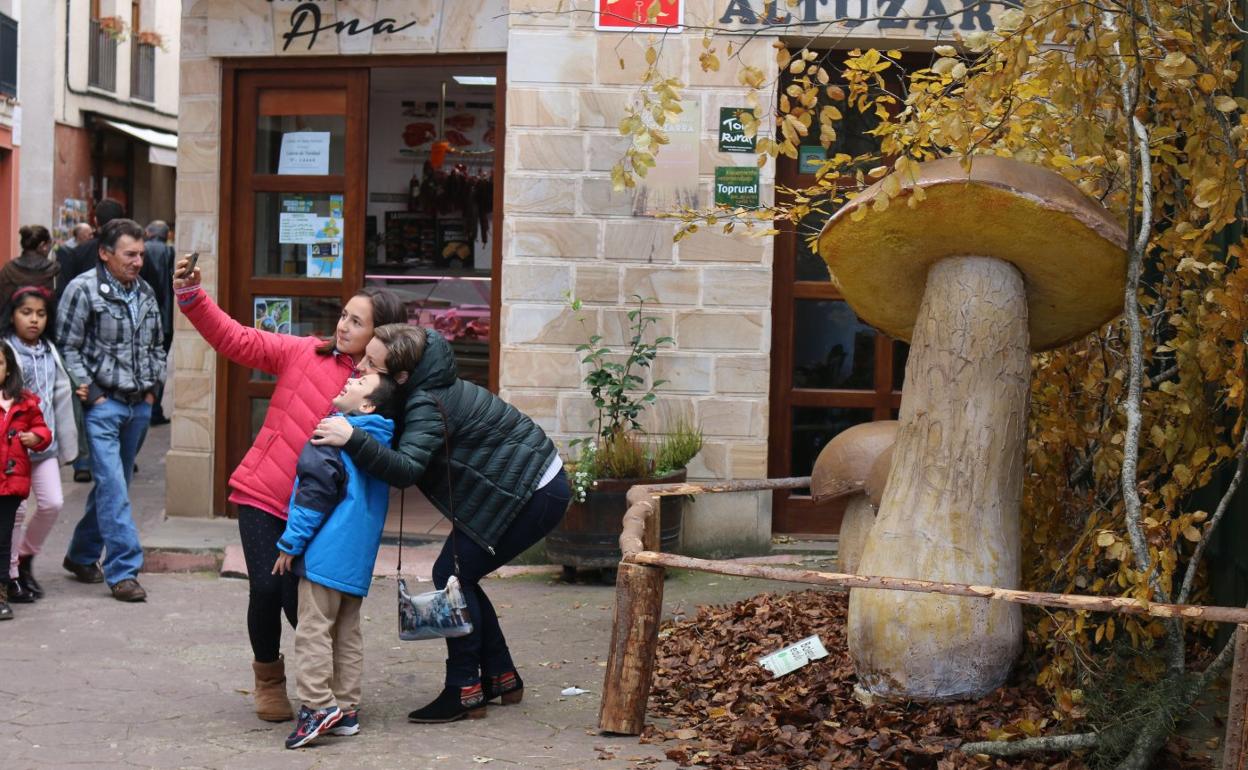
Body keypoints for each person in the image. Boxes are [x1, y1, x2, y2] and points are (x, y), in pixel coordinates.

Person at [172, 255, 406, 723]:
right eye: (343, 315)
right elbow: (236, 338)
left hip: (322, 511)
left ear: (379, 334)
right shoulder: (305, 350)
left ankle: (331, 695)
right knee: (264, 586)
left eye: (356, 321)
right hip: (265, 491)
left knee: (306, 603)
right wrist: (192, 296)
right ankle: (268, 679)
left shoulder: (380, 388)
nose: (342, 326)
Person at [313, 323, 571, 723]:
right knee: (458, 572)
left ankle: (465, 689)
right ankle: (501, 676)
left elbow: (406, 470)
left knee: (452, 574)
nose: (360, 367)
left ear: (400, 376)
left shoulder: (426, 402)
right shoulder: (422, 385)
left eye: (371, 363)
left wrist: (351, 438)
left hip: (536, 489)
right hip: (527, 484)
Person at [271, 372, 398, 749]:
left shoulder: (331, 434)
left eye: (362, 382)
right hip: (356, 559)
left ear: (367, 405)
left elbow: (314, 495)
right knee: (347, 633)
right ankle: (346, 709)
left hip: (326, 554)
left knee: (313, 631)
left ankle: (317, 706)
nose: (353, 377)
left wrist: (290, 543)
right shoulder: (381, 443)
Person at [57, 218, 165, 603]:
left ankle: (81, 555)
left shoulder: (146, 292)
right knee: (115, 487)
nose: (138, 261)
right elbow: (66, 346)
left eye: (140, 254)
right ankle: (123, 571)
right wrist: (93, 392)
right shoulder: (82, 290)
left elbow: (156, 343)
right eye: (129, 254)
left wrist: (153, 389)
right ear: (105, 253)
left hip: (138, 406)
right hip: (103, 406)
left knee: (113, 483)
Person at [4, 287, 82, 602]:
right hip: (12, 451)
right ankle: (9, 578)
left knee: (52, 504)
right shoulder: (5, 351)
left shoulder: (50, 350)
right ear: (12, 316)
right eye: (26, 313)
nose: (34, 320)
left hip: (44, 445)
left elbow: (59, 391)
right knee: (16, 513)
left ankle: (24, 559)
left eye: (40, 314)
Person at [59, 200, 124, 484]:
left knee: (84, 399)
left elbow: (61, 296)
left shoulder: (76, 252)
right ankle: (119, 458)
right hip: (115, 342)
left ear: (95, 220)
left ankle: (84, 461)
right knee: (119, 397)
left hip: (81, 341)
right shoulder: (128, 257)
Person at [0, 342, 53, 620]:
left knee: (3, 540)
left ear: (8, 369)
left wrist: (37, 438)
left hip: (10, 486)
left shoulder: (24, 401)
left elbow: (42, 429)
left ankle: (1, 593)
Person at [139, 221, 175, 426]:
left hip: (148, 315)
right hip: (166, 317)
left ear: (149, 232)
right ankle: (155, 407)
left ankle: (146, 405)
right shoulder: (170, 252)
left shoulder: (142, 251)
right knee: (159, 361)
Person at [0, 226, 61, 305]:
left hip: (12, 316)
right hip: (44, 315)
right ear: (43, 245)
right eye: (50, 244)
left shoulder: (8, 269)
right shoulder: (54, 269)